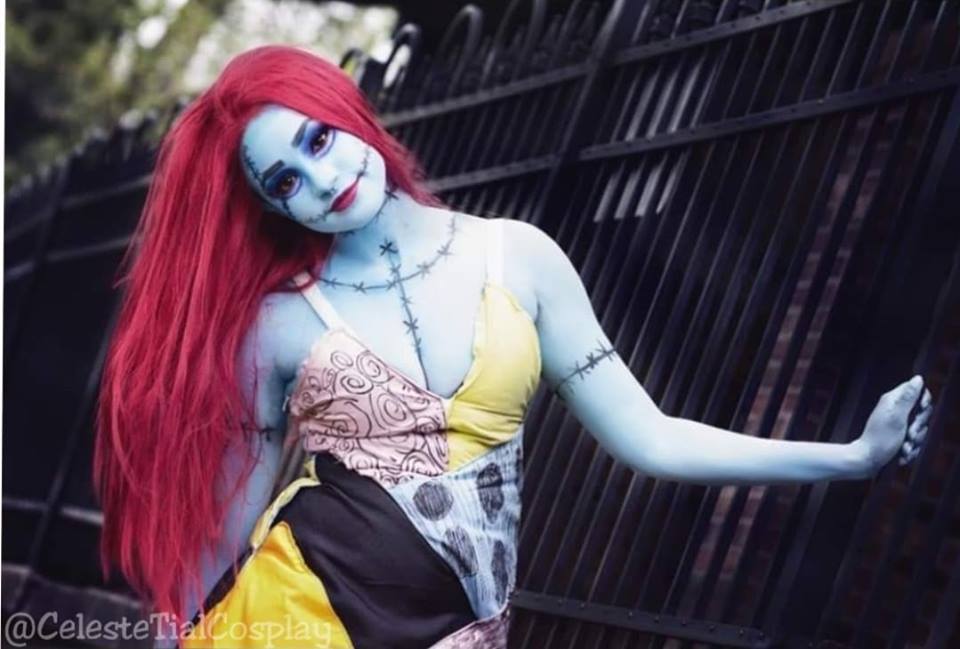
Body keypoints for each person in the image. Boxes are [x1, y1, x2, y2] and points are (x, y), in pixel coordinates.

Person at [93, 45, 934, 649]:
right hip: (294, 619)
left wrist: (852, 457)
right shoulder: (279, 322)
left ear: (349, 113)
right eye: (286, 180)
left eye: (318, 139)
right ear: (275, 207)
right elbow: (228, 526)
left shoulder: (518, 258)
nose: (322, 179)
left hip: (463, 628)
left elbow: (652, 437)